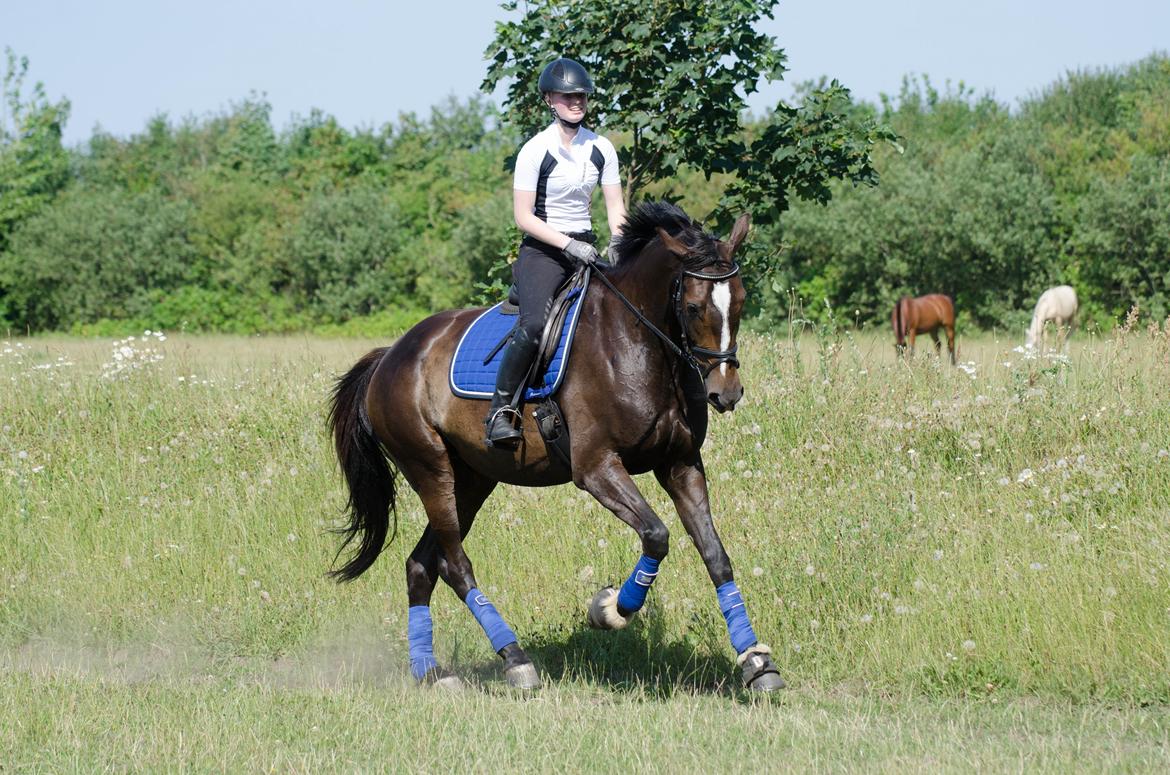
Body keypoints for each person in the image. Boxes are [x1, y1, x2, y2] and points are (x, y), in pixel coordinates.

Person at [484, 57, 627, 448]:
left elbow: (615, 207)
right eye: (568, 96)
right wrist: (568, 244)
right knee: (534, 326)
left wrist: (618, 240)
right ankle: (500, 412)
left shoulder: (602, 148)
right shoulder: (535, 150)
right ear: (550, 99)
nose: (576, 102)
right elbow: (522, 217)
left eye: (581, 96)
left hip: (587, 248)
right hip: (544, 251)